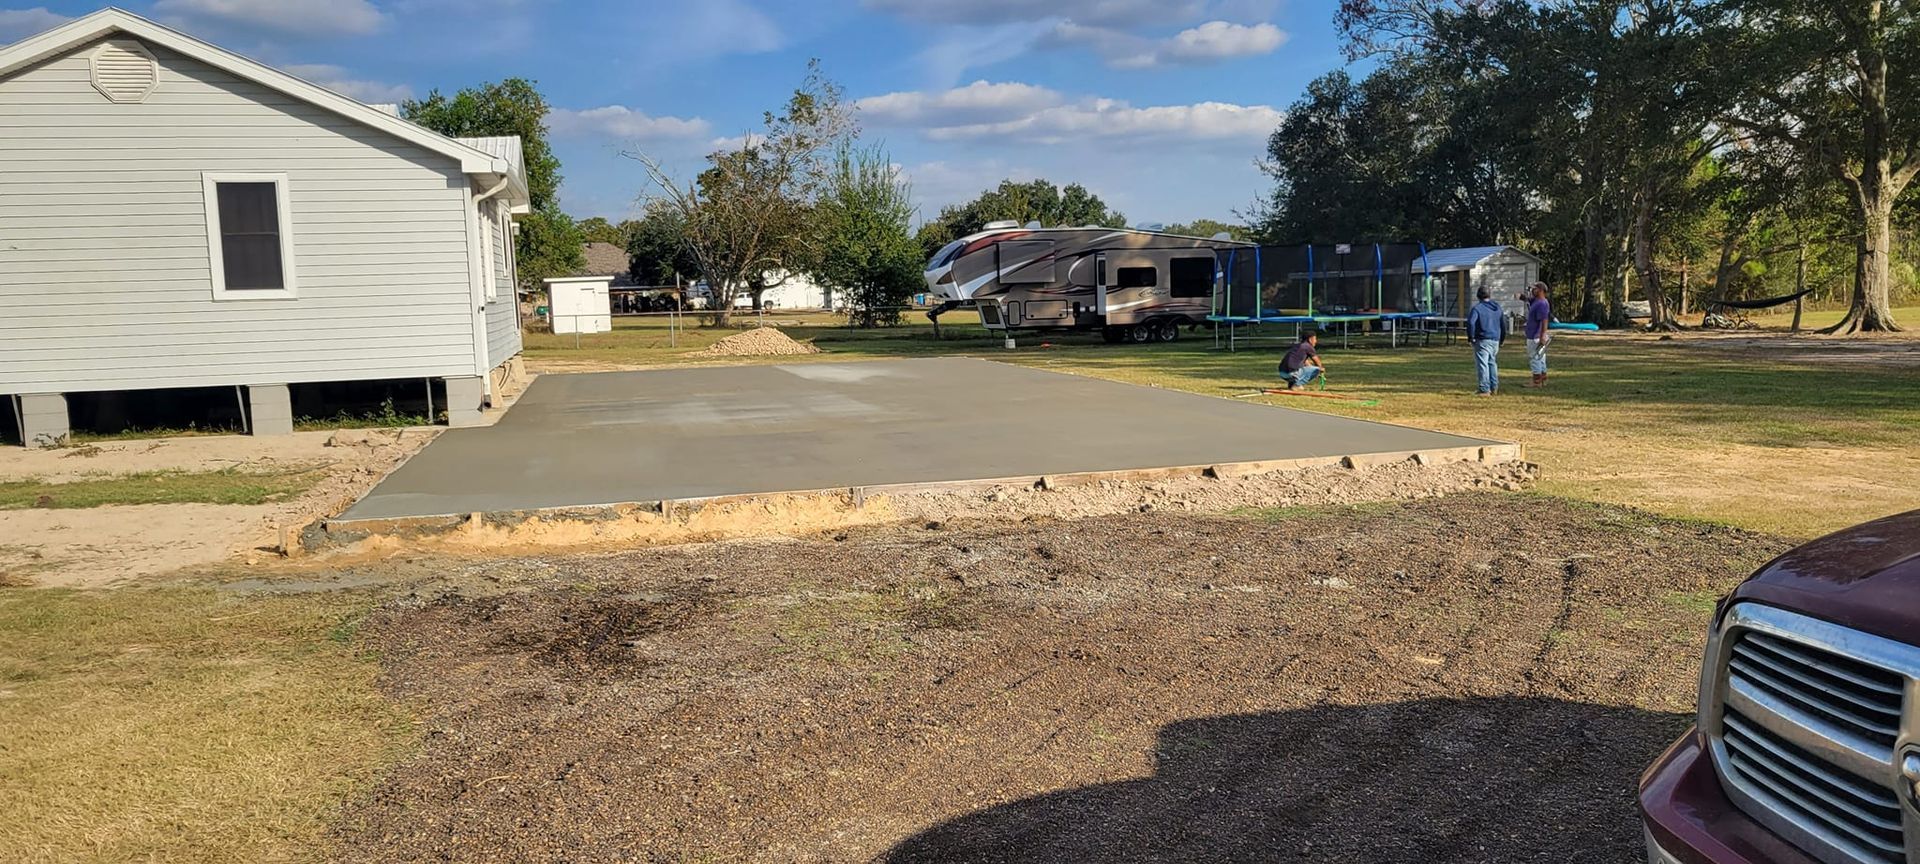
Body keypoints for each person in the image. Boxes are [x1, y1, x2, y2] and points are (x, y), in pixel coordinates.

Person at [1466, 286, 1509, 395]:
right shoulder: (1497, 308)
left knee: (1482, 364)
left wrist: (1471, 337)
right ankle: (1494, 386)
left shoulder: (1477, 308)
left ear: (1478, 296)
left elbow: (1471, 323)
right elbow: (1503, 324)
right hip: (1495, 339)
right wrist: (1502, 339)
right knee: (1492, 363)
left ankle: (1484, 388)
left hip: (1482, 339)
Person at [1523, 282, 1552, 387]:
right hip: (1537, 334)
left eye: (1534, 289)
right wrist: (1522, 297)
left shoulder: (1541, 304)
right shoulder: (1538, 301)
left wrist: (1542, 335)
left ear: (1540, 290)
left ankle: (1536, 381)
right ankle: (1543, 378)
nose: (1532, 290)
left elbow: (1544, 320)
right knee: (1541, 357)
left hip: (1535, 335)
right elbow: (1529, 299)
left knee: (1534, 357)